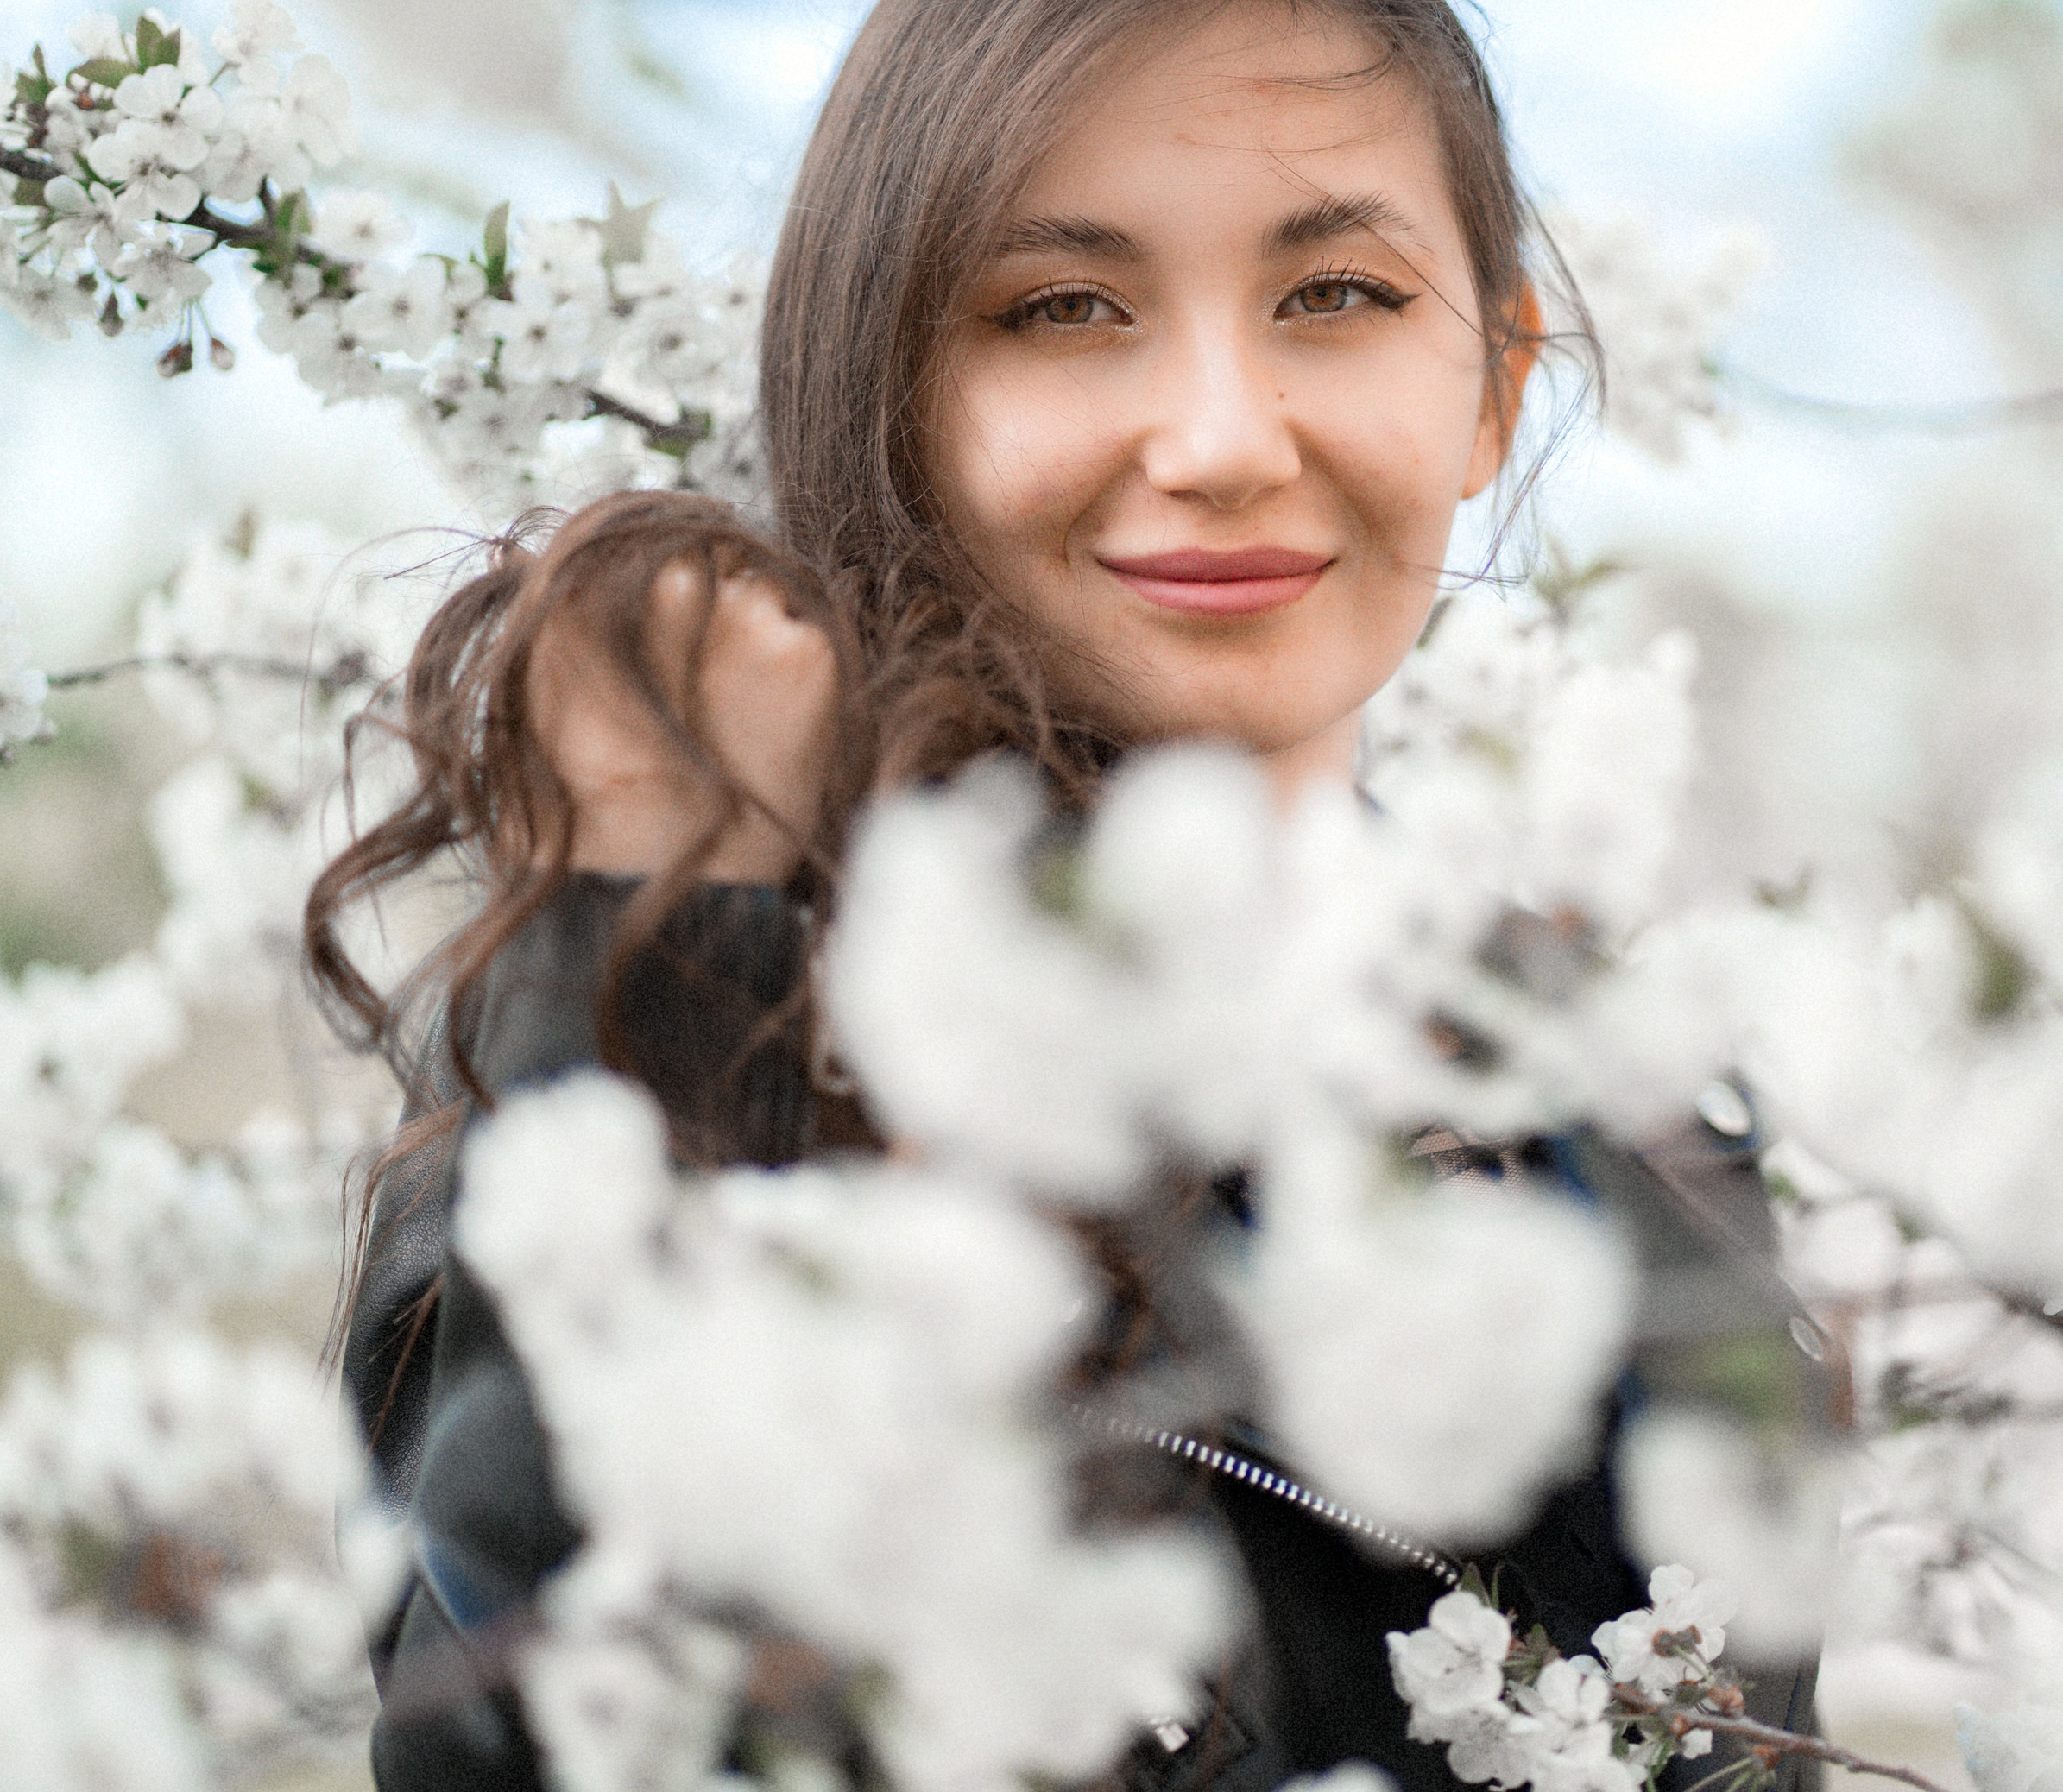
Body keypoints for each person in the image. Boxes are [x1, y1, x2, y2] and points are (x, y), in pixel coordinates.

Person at [308, 3, 1837, 1787]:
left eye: (1333, 294)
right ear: (892, 399)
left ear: (1492, 379)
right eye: (1062, 309)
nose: (1216, 441)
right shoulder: (710, 1031)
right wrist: (664, 960)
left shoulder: (1652, 1126)